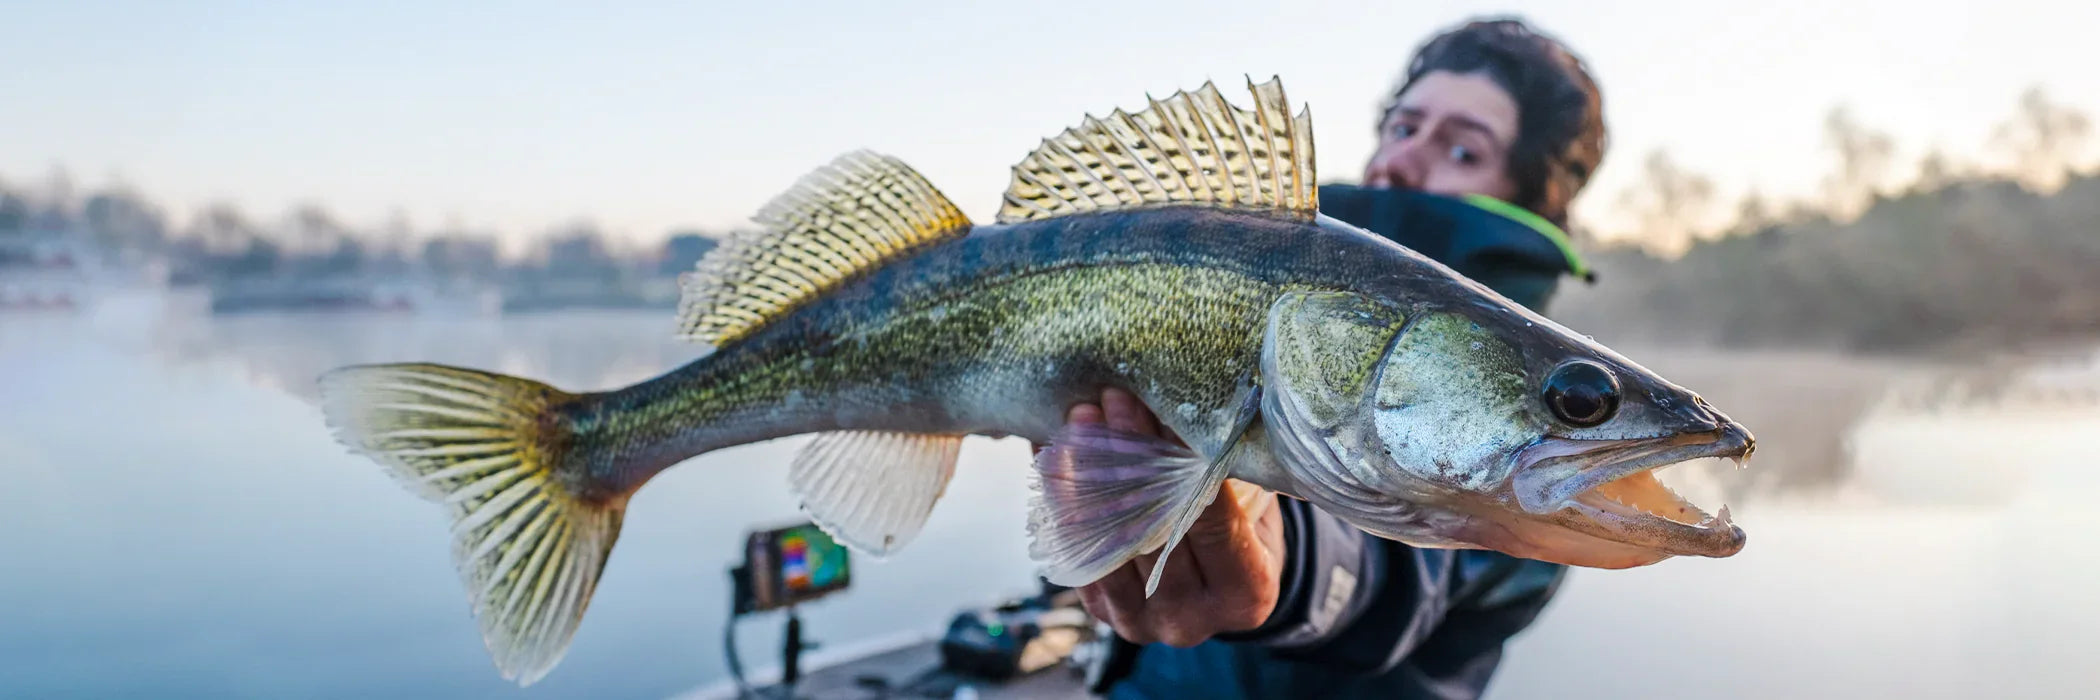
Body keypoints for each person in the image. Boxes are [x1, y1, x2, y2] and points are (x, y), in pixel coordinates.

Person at [1058, 17, 1610, 699]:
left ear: (1530, 200)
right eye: (1403, 128)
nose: (1399, 162)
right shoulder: (1262, 266)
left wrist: (1283, 563)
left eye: (1463, 151)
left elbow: (1405, 575)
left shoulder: (1543, 422)